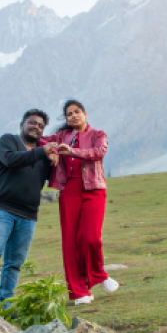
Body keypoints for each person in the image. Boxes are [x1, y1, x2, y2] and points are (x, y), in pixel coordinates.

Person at [0, 109, 59, 311]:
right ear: (22, 125)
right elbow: (12, 160)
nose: (36, 127)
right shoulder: (7, 142)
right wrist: (43, 152)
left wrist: (55, 162)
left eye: (41, 126)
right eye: (32, 123)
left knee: (15, 262)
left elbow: (53, 178)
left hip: (28, 215)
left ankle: (6, 304)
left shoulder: (43, 154)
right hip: (1, 208)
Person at [40, 100, 118, 304]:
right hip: (69, 190)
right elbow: (40, 140)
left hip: (94, 189)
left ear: (85, 113)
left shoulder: (98, 134)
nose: (73, 116)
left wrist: (72, 151)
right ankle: (79, 292)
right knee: (70, 242)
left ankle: (99, 274)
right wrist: (52, 150)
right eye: (68, 114)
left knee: (89, 237)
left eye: (76, 112)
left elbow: (99, 152)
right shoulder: (61, 136)